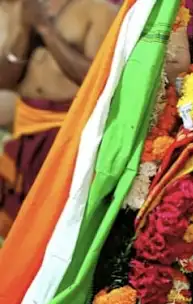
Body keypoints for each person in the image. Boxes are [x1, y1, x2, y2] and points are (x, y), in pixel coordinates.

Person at [0, 0, 118, 242]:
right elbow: (5, 80)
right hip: (26, 128)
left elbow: (96, 79)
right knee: (19, 231)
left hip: (67, 133)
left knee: (54, 231)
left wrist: (46, 30)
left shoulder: (99, 10)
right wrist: (24, 29)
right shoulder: (24, 8)